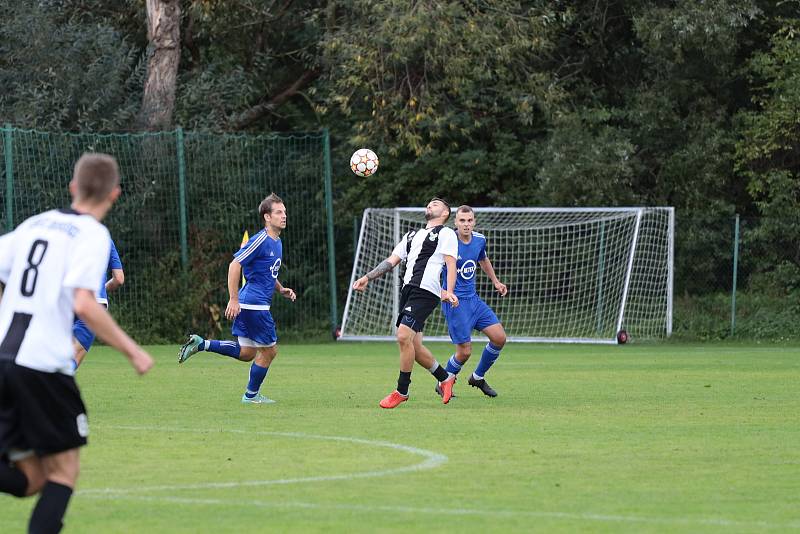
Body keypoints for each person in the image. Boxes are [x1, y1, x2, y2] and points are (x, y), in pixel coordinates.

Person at [0, 153, 154, 534]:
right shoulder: (92, 235)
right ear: (114, 194)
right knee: (65, 472)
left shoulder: (34, 224)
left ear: (73, 187)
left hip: (4, 358)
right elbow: (85, 302)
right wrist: (132, 350)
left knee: (34, 479)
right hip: (41, 365)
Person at [178, 193, 296, 404]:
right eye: (279, 212)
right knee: (270, 351)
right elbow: (235, 265)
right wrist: (233, 299)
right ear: (267, 217)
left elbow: (268, 273)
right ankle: (251, 396)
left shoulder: (277, 242)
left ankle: (201, 344)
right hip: (254, 305)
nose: (284, 216)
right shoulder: (260, 239)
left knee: (247, 352)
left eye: (285, 212)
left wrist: (280, 289)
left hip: (253, 303)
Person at [353, 197, 460, 409]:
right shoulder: (412, 235)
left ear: (446, 213)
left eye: (436, 204)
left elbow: (450, 262)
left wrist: (448, 291)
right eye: (429, 203)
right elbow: (391, 261)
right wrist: (367, 277)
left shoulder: (446, 233)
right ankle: (445, 378)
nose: (430, 205)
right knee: (414, 346)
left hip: (426, 291)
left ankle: (402, 391)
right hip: (408, 291)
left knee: (402, 336)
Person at [438, 205, 507, 398]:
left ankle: (477, 377)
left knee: (499, 338)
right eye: (462, 221)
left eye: (469, 220)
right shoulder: (447, 242)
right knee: (465, 352)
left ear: (474, 221)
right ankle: (443, 381)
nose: (466, 224)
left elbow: (483, 260)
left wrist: (496, 281)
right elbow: (432, 269)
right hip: (456, 303)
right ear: (455, 223)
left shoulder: (479, 240)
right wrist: (443, 292)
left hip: (474, 301)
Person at [71, 238, 124, 370]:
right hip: (94, 305)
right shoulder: (104, 239)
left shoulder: (64, 235)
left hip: (67, 301)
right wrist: (102, 289)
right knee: (71, 359)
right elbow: (119, 279)